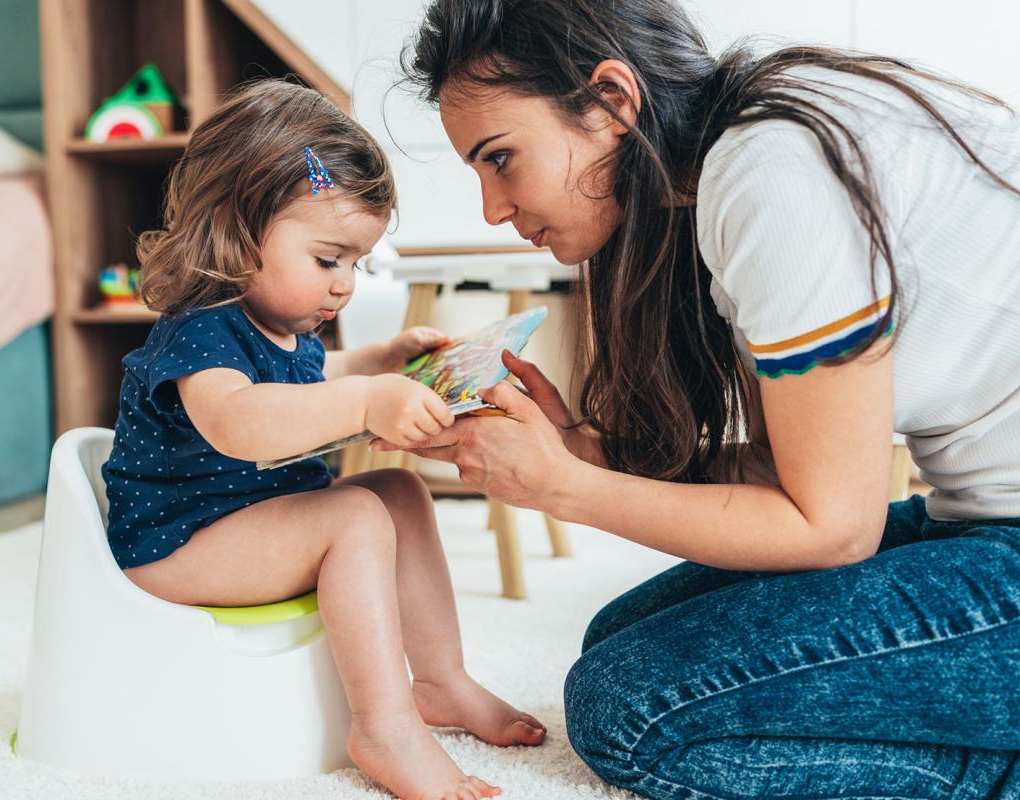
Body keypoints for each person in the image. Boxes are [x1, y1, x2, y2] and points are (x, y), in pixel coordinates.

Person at [386, 0, 1020, 796]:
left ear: (612, 102)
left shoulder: (774, 175)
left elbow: (831, 530)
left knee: (631, 708)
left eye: (501, 158)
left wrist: (564, 486)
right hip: (984, 523)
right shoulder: (739, 160)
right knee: (619, 639)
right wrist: (586, 451)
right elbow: (792, 478)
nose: (493, 206)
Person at [101, 79, 545, 800]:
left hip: (240, 523)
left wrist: (376, 363)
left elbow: (304, 382)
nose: (343, 286)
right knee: (355, 515)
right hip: (175, 545)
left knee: (396, 491)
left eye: (356, 264)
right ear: (236, 228)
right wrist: (367, 399)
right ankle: (385, 725)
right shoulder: (201, 327)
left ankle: (441, 682)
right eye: (328, 258)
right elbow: (240, 420)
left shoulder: (277, 323)